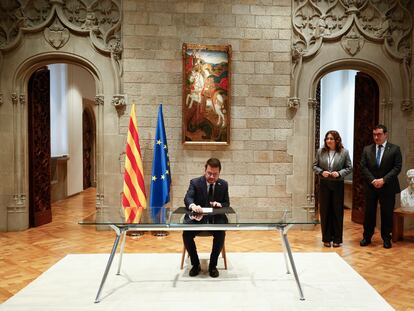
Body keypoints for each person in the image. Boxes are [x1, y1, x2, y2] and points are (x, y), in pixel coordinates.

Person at [183, 158, 229, 278]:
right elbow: (188, 198)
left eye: (215, 174)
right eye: (209, 173)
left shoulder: (223, 184)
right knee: (186, 235)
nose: (212, 177)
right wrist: (193, 205)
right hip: (197, 219)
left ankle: (213, 266)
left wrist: (220, 204)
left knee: (221, 234)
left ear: (219, 173)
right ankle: (195, 264)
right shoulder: (195, 182)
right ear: (205, 170)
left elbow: (226, 203)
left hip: (215, 220)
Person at [360, 124, 402, 249]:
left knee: (387, 213)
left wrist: (383, 180)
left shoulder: (395, 149)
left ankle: (386, 238)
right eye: (374, 134)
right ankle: (367, 237)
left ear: (385, 134)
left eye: (379, 134)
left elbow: (397, 167)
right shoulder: (367, 149)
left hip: (388, 186)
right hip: (371, 187)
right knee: (369, 213)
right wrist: (373, 180)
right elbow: (363, 167)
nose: (376, 137)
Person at [313, 130, 352, 248]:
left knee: (337, 212)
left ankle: (337, 239)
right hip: (324, 184)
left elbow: (349, 167)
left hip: (337, 185)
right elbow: (314, 166)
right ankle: (326, 238)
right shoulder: (320, 152)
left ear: (337, 140)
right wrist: (321, 172)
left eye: (331, 139)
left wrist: (339, 173)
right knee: (325, 211)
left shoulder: (344, 152)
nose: (328, 141)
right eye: (327, 139)